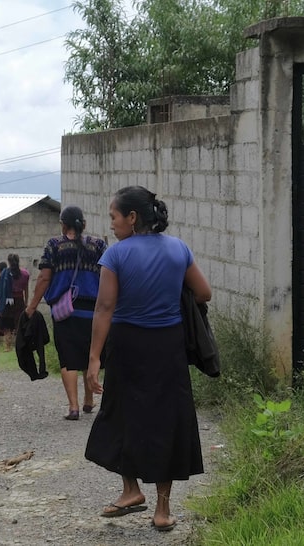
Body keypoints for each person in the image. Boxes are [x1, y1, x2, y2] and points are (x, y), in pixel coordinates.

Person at [84, 186, 211, 529]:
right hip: (168, 345)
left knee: (123, 415)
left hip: (127, 345)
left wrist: (94, 358)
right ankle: (163, 510)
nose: (111, 224)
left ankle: (130, 490)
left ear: (132, 217)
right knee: (165, 420)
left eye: (113, 217)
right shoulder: (179, 249)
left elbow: (105, 307)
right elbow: (204, 292)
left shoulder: (116, 255)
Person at [25, 206, 107, 420]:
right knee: (90, 355)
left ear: (63, 225)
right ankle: (89, 401)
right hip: (95, 310)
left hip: (65, 310)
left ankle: (73, 407)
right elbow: (109, 274)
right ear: (84, 224)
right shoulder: (98, 245)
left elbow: (44, 278)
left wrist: (32, 306)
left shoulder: (55, 245)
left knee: (69, 358)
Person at [0, 254, 30, 351]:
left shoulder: (5, 273)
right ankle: (18, 345)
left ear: (8, 262)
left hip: (7, 301)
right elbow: (26, 289)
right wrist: (26, 302)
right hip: (19, 300)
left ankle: (7, 347)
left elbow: (0, 289)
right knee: (18, 323)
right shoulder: (25, 274)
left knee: (7, 325)